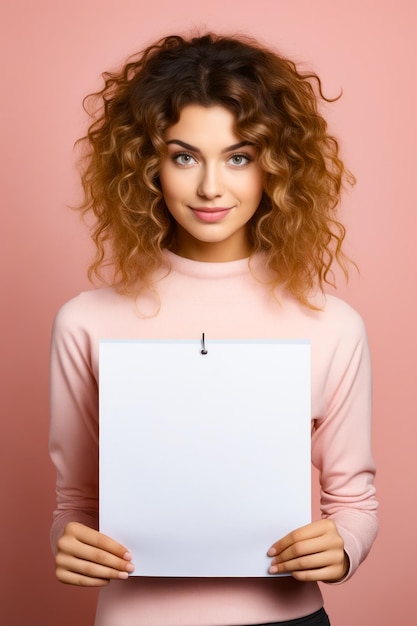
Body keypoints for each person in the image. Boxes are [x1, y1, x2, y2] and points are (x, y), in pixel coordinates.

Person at [49, 33, 378, 626]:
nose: (209, 187)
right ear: (145, 164)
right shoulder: (85, 322)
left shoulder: (332, 325)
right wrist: (69, 544)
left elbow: (353, 503)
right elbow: (76, 502)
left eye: (238, 156)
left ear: (277, 166)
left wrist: (344, 546)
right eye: (183, 156)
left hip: (288, 620)